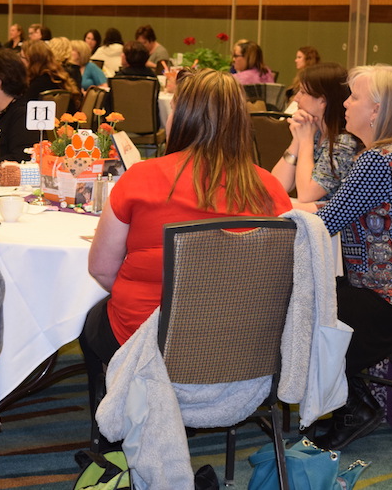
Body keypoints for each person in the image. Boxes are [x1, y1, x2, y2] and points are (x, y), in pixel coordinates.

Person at [79, 69, 293, 446]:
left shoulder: (141, 178)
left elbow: (100, 268)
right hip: (242, 345)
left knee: (92, 322)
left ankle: (113, 434)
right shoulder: (270, 188)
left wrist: (154, 300)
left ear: (181, 116)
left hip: (150, 344)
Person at [308, 64, 392, 450]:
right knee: (322, 294)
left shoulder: (377, 160)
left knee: (303, 305)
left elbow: (327, 220)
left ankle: (354, 406)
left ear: (377, 110)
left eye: (354, 97)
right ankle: (351, 402)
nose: (346, 104)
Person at [272, 62, 358, 204]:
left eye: (303, 92)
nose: (296, 98)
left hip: (333, 224)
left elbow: (307, 194)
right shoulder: (314, 131)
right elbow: (278, 185)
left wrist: (305, 140)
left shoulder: (343, 143)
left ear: (323, 101)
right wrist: (297, 140)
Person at [22, 40, 80, 113]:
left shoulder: (37, 85)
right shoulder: (57, 78)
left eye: (22, 57)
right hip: (65, 122)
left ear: (31, 61)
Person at [285, 46, 321, 111]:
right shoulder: (300, 76)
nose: (296, 60)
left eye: (299, 57)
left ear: (308, 60)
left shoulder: (310, 78)